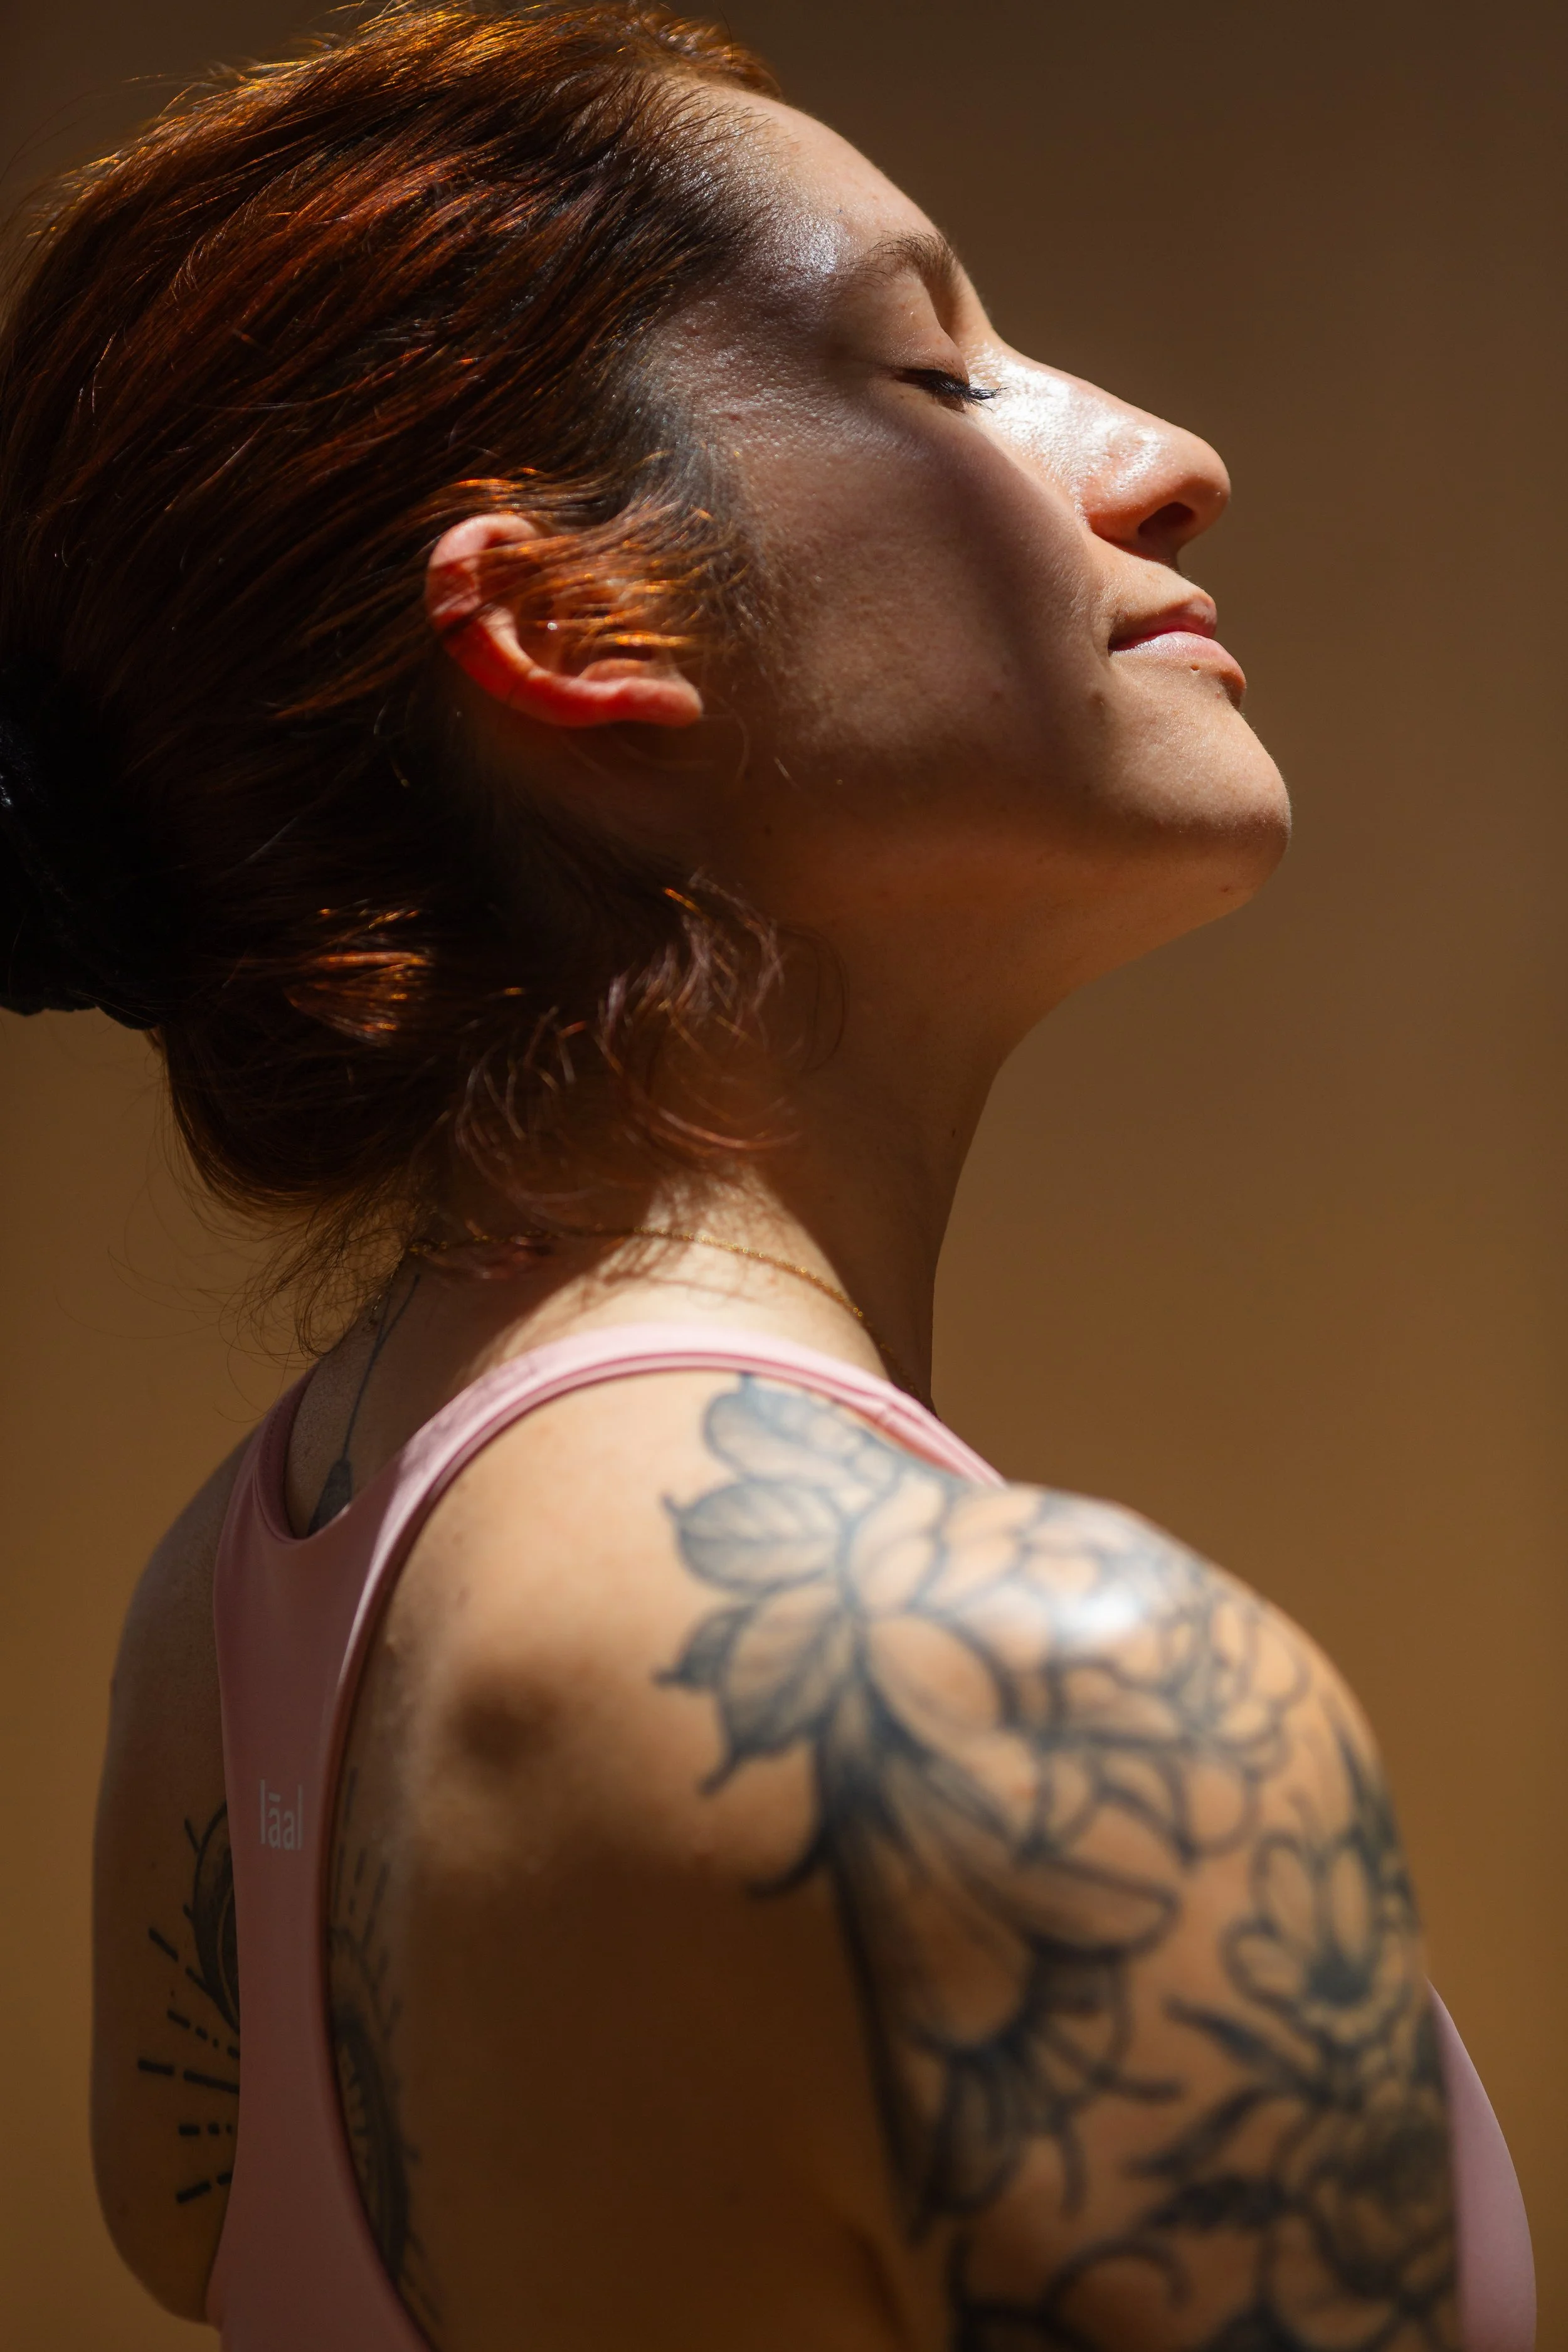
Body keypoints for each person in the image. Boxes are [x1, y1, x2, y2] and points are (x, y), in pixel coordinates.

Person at [0, 5, 1534, 2348]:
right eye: (938, 373)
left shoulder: (222, 1643)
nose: (1171, 461)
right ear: (567, 628)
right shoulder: (1017, 1698)